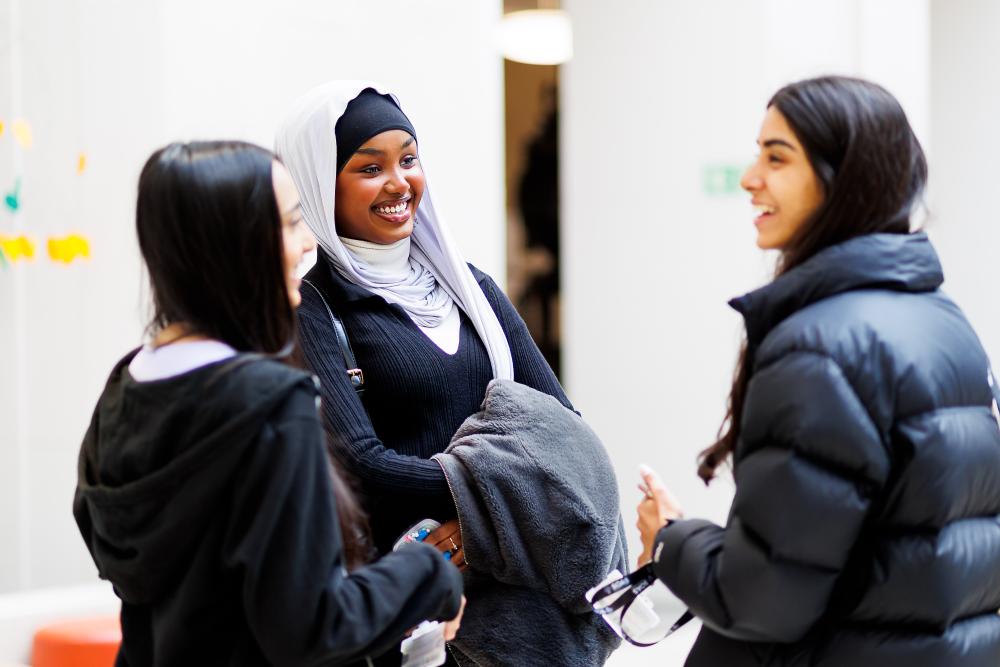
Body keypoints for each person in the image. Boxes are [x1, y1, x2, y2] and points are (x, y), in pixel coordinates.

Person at [635, 76, 1000, 666]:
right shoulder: (945, 322)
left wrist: (670, 538)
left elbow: (761, 600)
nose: (749, 177)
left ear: (846, 178)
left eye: (777, 158)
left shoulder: (821, 347)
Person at [73, 141, 464, 667]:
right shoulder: (271, 406)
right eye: (289, 223)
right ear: (233, 249)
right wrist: (429, 575)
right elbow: (311, 626)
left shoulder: (125, 389)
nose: (307, 245)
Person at [275, 82, 611, 665]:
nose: (399, 182)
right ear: (319, 184)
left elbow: (564, 429)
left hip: (518, 601)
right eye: (369, 167)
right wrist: (498, 497)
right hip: (414, 608)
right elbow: (362, 466)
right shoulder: (314, 311)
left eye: (408, 159)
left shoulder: (471, 289)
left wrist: (475, 516)